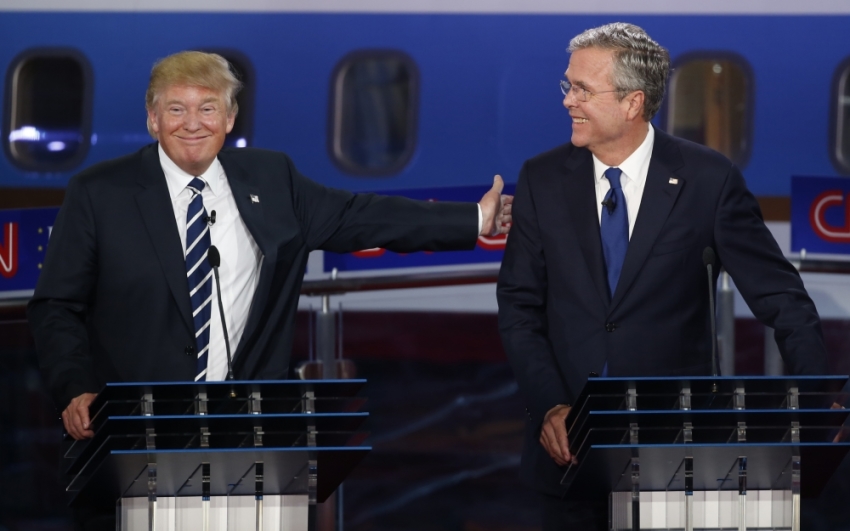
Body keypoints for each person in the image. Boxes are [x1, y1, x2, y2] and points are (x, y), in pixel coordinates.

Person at [29, 51, 512, 442]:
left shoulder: (271, 178)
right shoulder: (101, 192)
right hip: (136, 429)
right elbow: (56, 305)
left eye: (208, 108)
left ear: (230, 118)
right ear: (153, 119)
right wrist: (75, 389)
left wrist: (474, 218)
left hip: (250, 430)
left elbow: (363, 217)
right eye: (176, 109)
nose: (192, 123)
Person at [496, 23, 828, 530]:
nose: (568, 101)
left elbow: (781, 297)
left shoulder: (708, 179)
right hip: (566, 451)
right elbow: (519, 306)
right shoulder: (540, 178)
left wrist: (813, 400)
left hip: (674, 450)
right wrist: (550, 406)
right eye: (568, 86)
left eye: (582, 89)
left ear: (632, 103)